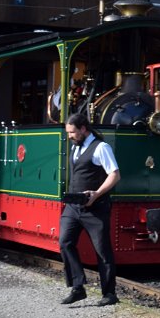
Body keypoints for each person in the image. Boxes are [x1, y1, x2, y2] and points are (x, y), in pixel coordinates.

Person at [59, 113, 121, 306]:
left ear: (84, 129)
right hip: (74, 206)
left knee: (102, 251)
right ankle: (78, 288)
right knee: (64, 242)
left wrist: (96, 194)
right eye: (68, 132)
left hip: (96, 208)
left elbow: (115, 175)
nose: (69, 136)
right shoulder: (76, 146)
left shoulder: (101, 148)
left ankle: (109, 294)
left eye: (72, 132)